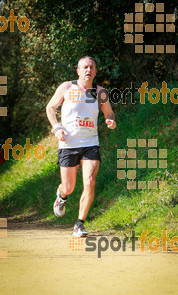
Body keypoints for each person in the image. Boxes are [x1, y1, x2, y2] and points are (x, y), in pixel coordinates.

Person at [46, 56, 116, 237]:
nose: (88, 70)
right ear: (78, 71)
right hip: (68, 144)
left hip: (90, 144)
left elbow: (109, 112)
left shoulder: (100, 92)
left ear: (95, 71)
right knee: (68, 187)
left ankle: (79, 224)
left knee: (90, 182)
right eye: (85, 67)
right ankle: (61, 197)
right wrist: (57, 128)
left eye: (91, 67)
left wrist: (110, 120)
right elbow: (50, 108)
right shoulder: (67, 87)